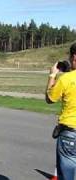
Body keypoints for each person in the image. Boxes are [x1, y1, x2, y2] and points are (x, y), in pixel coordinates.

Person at [46, 42, 76, 180]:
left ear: (74, 57)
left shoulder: (66, 79)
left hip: (70, 132)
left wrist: (52, 76)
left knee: (67, 175)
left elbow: (50, 98)